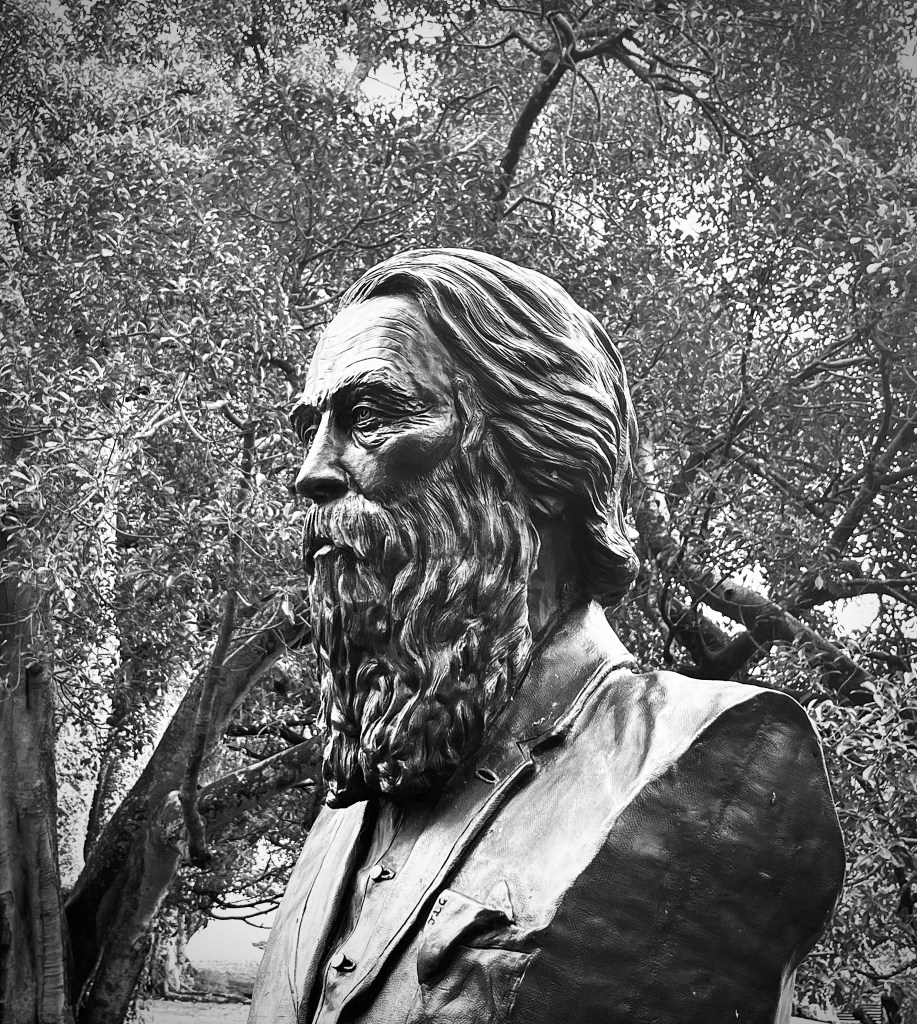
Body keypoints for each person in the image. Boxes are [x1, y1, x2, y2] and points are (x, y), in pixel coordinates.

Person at [249, 248, 844, 1024]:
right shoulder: (347, 811)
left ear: (548, 454)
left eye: (370, 419)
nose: (311, 472)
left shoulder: (717, 760)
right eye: (310, 429)